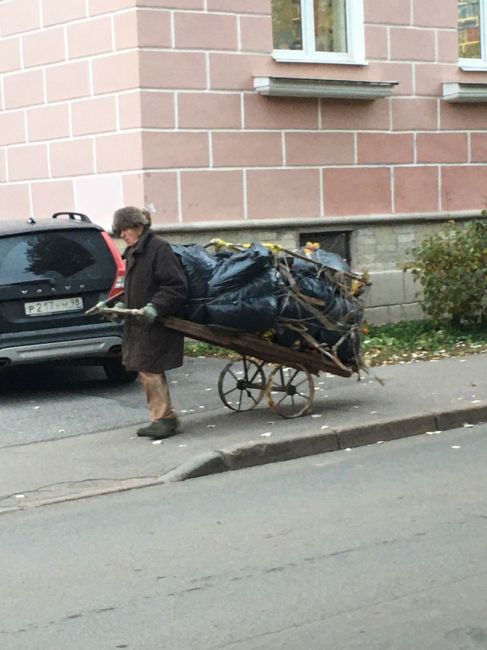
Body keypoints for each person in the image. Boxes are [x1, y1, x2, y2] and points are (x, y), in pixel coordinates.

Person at [111, 206, 188, 439]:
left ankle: (163, 419)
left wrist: (155, 307)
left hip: (159, 322)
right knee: (147, 370)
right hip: (141, 323)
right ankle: (163, 417)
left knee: (150, 369)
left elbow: (176, 286)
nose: (122, 235)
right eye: (119, 231)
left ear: (138, 227)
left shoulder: (158, 248)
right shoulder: (134, 251)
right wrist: (122, 304)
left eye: (124, 229)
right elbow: (134, 288)